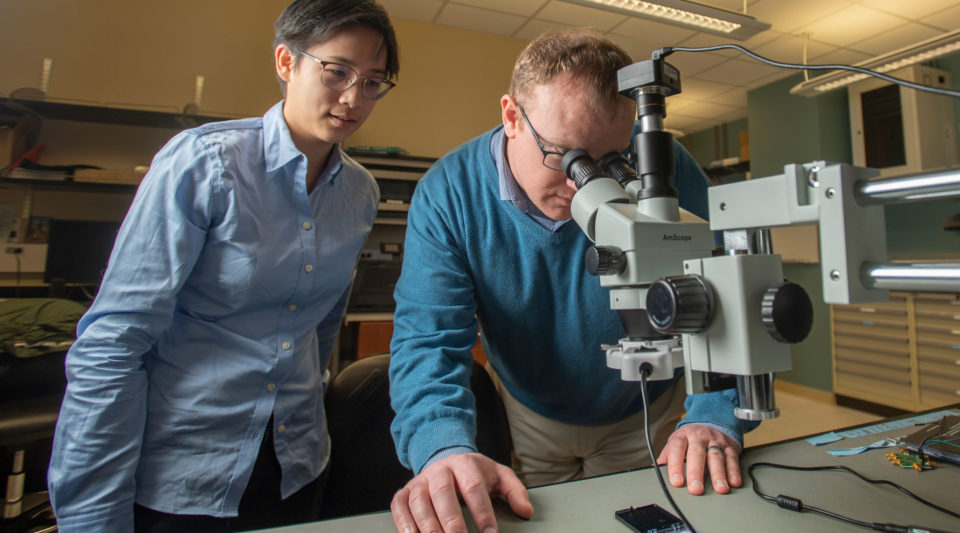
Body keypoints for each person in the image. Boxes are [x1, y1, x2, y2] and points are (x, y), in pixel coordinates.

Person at [46, 1, 398, 531]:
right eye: (337, 72)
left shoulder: (359, 193)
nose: (354, 98)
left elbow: (319, 327)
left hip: (295, 467)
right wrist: (92, 514)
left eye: (373, 82)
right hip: (184, 472)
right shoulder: (205, 163)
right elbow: (115, 342)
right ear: (286, 63)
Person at [388, 28, 757, 533]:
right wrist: (442, 447)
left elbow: (728, 299)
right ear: (511, 116)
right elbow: (428, 342)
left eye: (612, 162)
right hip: (534, 411)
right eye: (567, 158)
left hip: (648, 409)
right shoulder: (449, 194)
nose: (585, 185)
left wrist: (715, 413)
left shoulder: (666, 171)